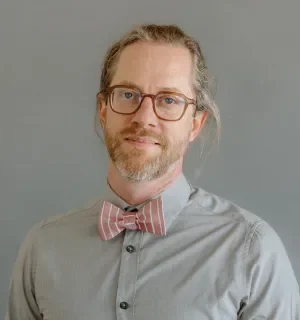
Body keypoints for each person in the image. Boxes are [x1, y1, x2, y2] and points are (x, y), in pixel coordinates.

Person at [6, 24, 300, 320]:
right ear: (103, 110)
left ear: (195, 124)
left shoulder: (252, 251)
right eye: (128, 94)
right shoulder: (43, 249)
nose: (144, 117)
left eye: (169, 100)